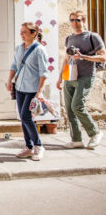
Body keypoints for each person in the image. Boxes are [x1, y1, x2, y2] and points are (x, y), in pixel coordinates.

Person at [57, 11, 105, 149]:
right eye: (71, 20)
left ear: (84, 20)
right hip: (69, 75)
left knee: (77, 106)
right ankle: (76, 139)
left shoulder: (92, 37)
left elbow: (103, 57)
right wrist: (60, 78)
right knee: (69, 109)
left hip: (86, 75)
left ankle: (95, 133)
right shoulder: (69, 38)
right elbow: (66, 59)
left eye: (77, 20)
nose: (74, 23)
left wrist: (83, 57)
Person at [6, 22, 49, 161]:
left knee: (26, 116)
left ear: (33, 33)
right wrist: (9, 80)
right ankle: (29, 147)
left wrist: (40, 91)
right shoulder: (19, 48)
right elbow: (14, 65)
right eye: (21, 32)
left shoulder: (39, 50)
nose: (22, 35)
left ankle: (38, 145)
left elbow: (44, 73)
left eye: (25, 32)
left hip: (32, 89)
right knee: (22, 117)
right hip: (20, 87)